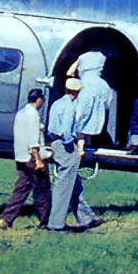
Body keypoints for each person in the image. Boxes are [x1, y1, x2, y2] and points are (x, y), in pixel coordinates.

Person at [46, 78, 101, 232]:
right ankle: (56, 223)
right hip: (66, 146)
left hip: (55, 143)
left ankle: (86, 218)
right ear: (76, 93)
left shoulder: (56, 104)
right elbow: (66, 132)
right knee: (64, 186)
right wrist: (73, 146)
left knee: (72, 183)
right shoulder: (70, 108)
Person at [0, 89, 51, 229]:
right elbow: (34, 141)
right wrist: (39, 160)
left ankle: (6, 219)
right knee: (43, 191)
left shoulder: (20, 113)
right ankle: (46, 221)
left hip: (21, 158)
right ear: (39, 99)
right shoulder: (33, 115)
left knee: (21, 190)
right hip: (32, 158)